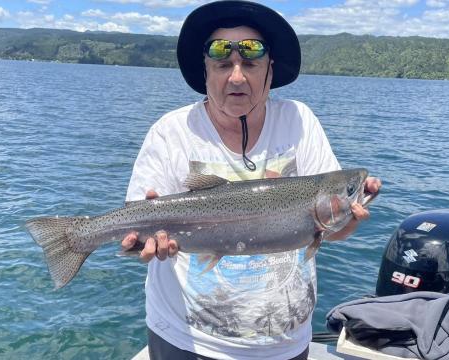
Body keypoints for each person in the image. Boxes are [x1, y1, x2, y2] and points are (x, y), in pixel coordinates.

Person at [122, 1, 381, 359]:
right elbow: (135, 231)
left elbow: (331, 229)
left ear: (270, 71)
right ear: (206, 71)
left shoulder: (300, 121)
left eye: (250, 64)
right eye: (223, 64)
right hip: (184, 341)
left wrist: (350, 213)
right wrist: (140, 244)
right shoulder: (171, 132)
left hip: (285, 346)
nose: (237, 77)